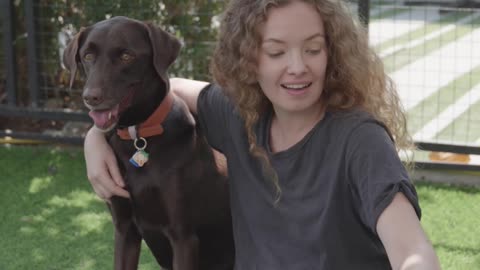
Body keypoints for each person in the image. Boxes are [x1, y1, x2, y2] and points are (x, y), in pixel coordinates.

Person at [84, 0, 441, 269]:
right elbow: (170, 87)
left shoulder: (360, 140)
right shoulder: (239, 117)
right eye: (276, 52)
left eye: (313, 49)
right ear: (249, 59)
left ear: (333, 54)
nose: (298, 66)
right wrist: (96, 137)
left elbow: (411, 247)